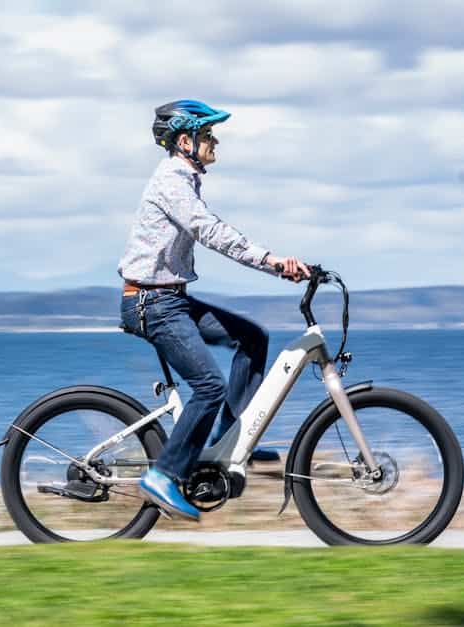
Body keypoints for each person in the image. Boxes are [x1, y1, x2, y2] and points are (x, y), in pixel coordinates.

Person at [117, 100, 310, 521]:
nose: (215, 141)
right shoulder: (171, 181)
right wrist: (273, 261)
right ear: (184, 141)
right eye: (208, 135)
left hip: (171, 298)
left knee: (253, 338)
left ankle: (227, 440)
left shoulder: (186, 179)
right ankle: (163, 475)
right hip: (152, 303)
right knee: (209, 386)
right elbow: (210, 230)